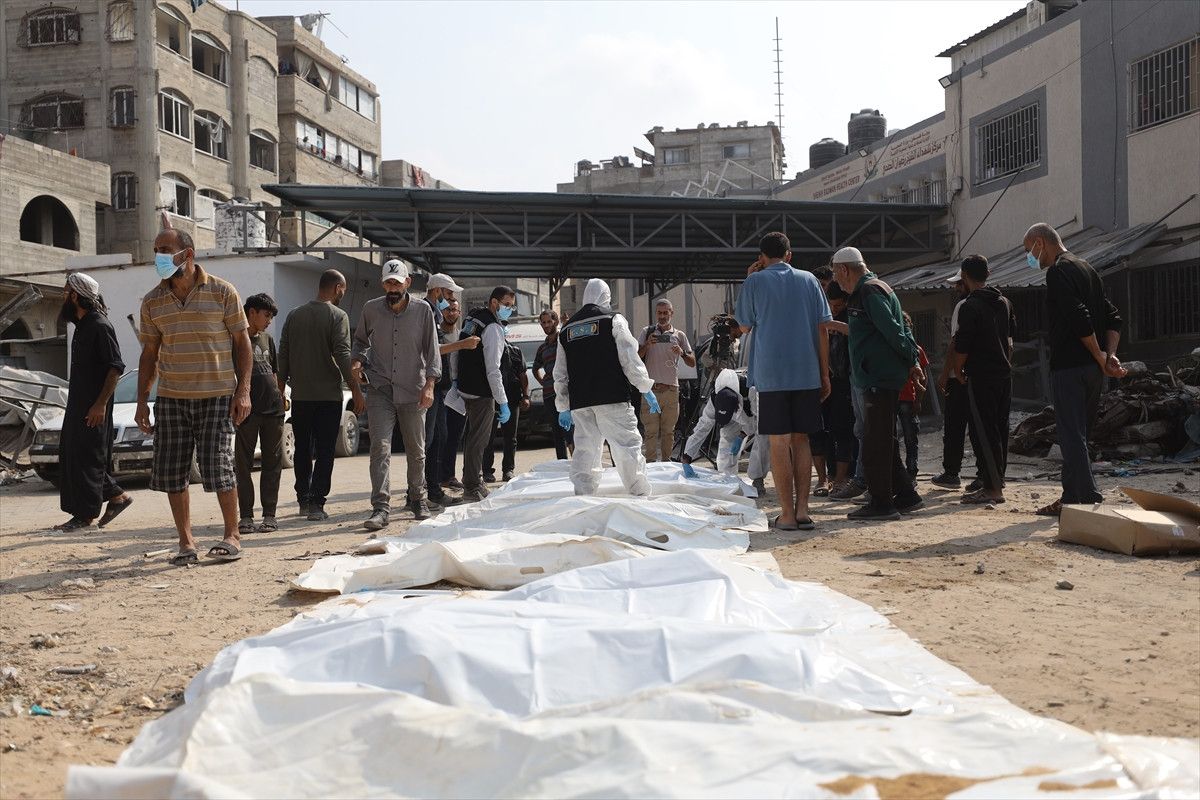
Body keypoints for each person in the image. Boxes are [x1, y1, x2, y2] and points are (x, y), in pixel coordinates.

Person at [136, 228, 252, 565]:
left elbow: (242, 343)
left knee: (218, 467)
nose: (158, 256)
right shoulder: (152, 301)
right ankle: (186, 542)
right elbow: (149, 354)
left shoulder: (222, 291)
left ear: (187, 254)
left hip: (216, 395)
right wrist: (142, 401)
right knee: (173, 472)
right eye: (156, 249)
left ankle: (232, 535)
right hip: (171, 397)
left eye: (165, 249)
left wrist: (243, 391)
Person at [1023, 223, 1125, 516]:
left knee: (1071, 436)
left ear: (1040, 243)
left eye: (1029, 250)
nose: (1030, 257)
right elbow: (1113, 318)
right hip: (1093, 371)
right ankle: (1069, 499)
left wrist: (1100, 355)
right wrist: (1108, 356)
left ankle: (1089, 500)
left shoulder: (1058, 272)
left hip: (1070, 367)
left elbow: (1079, 318)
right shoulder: (1087, 268)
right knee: (1079, 436)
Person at [733, 232, 832, 532]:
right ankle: (803, 511)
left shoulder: (754, 281)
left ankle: (786, 514)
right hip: (806, 372)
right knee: (802, 440)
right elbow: (823, 329)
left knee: (779, 443)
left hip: (772, 375)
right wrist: (824, 374)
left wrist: (749, 278)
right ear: (789, 255)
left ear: (762, 257)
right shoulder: (810, 280)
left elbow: (744, 326)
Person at [831, 246, 924, 522]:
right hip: (876, 376)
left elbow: (895, 330)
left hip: (879, 378)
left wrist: (912, 360)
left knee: (875, 445)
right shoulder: (874, 288)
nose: (836, 280)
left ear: (844, 269)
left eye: (836, 274)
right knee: (884, 440)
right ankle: (906, 495)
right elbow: (882, 329)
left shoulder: (869, 291)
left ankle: (882, 503)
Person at [353, 259, 441, 529]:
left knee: (416, 449)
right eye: (388, 283)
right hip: (380, 389)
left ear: (407, 283)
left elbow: (432, 351)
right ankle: (380, 508)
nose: (393, 288)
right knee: (379, 447)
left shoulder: (423, 311)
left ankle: (418, 499)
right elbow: (360, 341)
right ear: (383, 284)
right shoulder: (370, 309)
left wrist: (430, 385)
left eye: (397, 283)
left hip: (413, 390)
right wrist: (357, 360)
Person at [554, 278, 658, 496]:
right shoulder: (613, 320)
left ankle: (584, 496)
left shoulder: (567, 329)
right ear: (606, 297)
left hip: (581, 402)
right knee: (626, 447)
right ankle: (640, 495)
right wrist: (644, 387)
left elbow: (560, 373)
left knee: (585, 451)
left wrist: (563, 405)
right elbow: (629, 358)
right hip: (612, 397)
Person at [277, 269, 364, 522]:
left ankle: (303, 500)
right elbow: (343, 354)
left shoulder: (294, 315)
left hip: (301, 396)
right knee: (325, 450)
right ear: (337, 288)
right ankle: (317, 503)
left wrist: (280, 390)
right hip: (328, 397)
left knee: (303, 449)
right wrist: (356, 389)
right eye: (344, 289)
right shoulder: (338, 316)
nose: (343, 293)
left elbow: (283, 355)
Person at [54, 273, 132, 531]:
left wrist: (100, 404)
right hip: (79, 404)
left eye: (65, 291)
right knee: (75, 455)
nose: (63, 296)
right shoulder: (83, 325)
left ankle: (85, 516)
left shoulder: (100, 325)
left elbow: (115, 367)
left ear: (75, 295)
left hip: (94, 407)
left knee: (88, 458)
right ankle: (117, 497)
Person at [951, 255, 1016, 505]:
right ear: (988, 274)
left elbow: (962, 345)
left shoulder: (970, 306)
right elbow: (1010, 342)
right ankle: (997, 481)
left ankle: (992, 489)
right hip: (1003, 375)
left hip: (981, 376)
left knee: (984, 432)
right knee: (1000, 429)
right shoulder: (1004, 302)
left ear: (965, 276)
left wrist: (959, 371)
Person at [422, 273, 478, 507]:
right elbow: (431, 350)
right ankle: (420, 490)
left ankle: (433, 489)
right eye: (448, 294)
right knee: (428, 440)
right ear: (437, 291)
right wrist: (462, 345)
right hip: (428, 385)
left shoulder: (433, 312)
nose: (451, 299)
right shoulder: (425, 311)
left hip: (440, 387)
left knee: (440, 437)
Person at [455, 285, 515, 503]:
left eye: (512, 307)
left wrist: (456, 379)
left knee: (471, 439)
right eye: (506, 305)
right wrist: (503, 401)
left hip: (465, 387)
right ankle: (472, 486)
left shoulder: (473, 318)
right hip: (481, 392)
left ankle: (471, 479)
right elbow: (493, 370)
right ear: (494, 303)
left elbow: (459, 350)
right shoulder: (492, 328)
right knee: (478, 440)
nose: (509, 310)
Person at [234, 293, 284, 533]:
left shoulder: (268, 339)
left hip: (273, 410)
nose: (269, 321)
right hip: (247, 412)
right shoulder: (235, 339)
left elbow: (274, 371)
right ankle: (246, 516)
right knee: (243, 465)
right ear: (251, 312)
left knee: (272, 463)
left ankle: (269, 515)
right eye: (266, 315)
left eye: (272, 316)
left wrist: (281, 396)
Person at [637, 299, 695, 462]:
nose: (662, 316)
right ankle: (650, 465)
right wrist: (647, 345)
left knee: (669, 431)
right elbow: (636, 357)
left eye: (665, 313)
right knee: (650, 432)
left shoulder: (679, 335)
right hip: (650, 391)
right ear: (656, 313)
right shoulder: (647, 332)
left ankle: (666, 463)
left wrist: (682, 353)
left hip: (671, 390)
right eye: (659, 313)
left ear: (671, 313)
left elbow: (692, 362)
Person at [932, 276, 973, 489]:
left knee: (954, 427)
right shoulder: (998, 303)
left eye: (959, 284)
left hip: (960, 377)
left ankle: (951, 472)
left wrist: (948, 372)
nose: (956, 288)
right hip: (981, 376)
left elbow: (955, 343)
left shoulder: (963, 306)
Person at [681, 369, 754, 478]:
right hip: (736, 419)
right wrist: (687, 457)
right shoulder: (714, 400)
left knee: (761, 445)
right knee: (726, 448)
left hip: (754, 416)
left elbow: (757, 420)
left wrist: (742, 435)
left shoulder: (749, 392)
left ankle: (758, 478)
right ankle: (727, 478)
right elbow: (702, 428)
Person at [820, 281, 856, 496]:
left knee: (844, 431)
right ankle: (831, 476)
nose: (834, 309)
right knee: (827, 432)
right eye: (832, 305)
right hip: (826, 382)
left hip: (845, 382)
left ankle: (843, 478)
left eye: (839, 305)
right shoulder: (822, 317)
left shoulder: (852, 318)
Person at [483, 336, 529, 482]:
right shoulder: (488, 349)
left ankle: (508, 470)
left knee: (510, 437)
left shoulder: (515, 350)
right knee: (488, 437)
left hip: (512, 399)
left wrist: (526, 396)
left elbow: (522, 375)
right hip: (491, 398)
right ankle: (486, 471)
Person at [532, 310, 573, 460]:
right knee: (556, 433)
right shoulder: (542, 348)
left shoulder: (563, 340)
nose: (546, 325)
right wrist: (544, 383)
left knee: (570, 431)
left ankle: (578, 464)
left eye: (549, 321)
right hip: (549, 395)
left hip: (565, 393)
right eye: (543, 322)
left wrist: (566, 324)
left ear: (555, 321)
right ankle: (562, 465)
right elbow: (535, 368)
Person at [896, 312, 930, 480]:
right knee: (906, 439)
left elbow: (924, 377)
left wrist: (918, 400)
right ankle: (906, 473)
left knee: (908, 438)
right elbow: (924, 378)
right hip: (899, 397)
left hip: (906, 398)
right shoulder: (914, 348)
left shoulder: (915, 349)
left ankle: (910, 472)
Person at [437, 299, 467, 490]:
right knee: (438, 436)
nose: (450, 313)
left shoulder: (463, 336)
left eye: (454, 310)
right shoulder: (435, 334)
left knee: (455, 435)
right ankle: (433, 476)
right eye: (447, 309)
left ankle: (448, 476)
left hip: (457, 393)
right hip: (438, 391)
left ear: (459, 312)